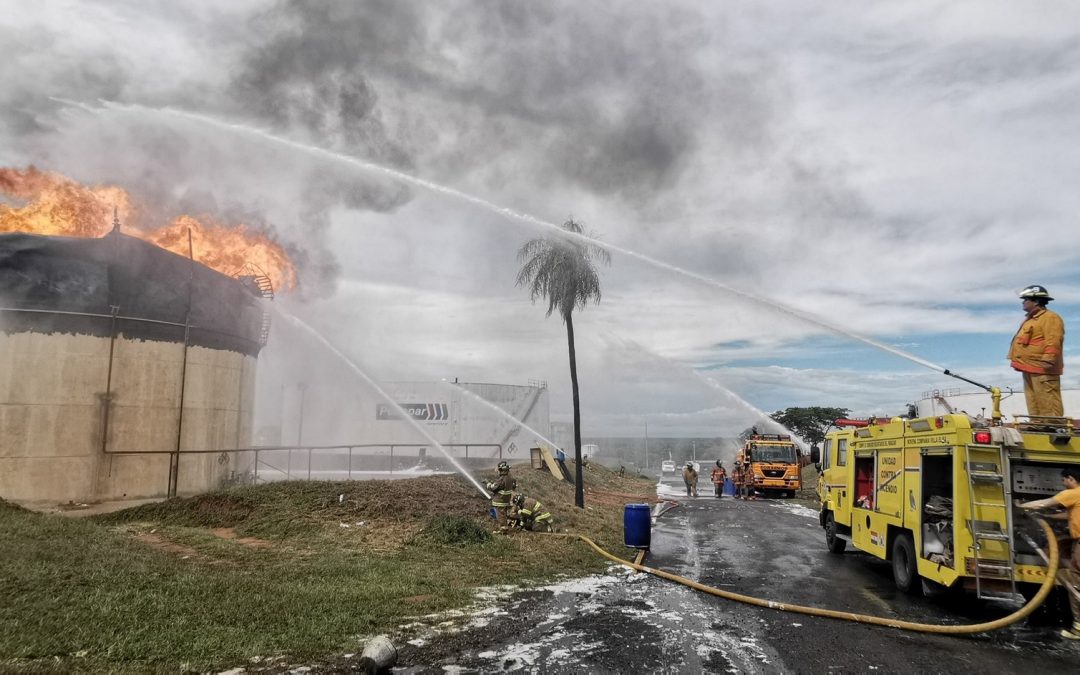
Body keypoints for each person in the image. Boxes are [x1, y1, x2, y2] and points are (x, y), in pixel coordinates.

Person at [1020, 466, 1080, 640]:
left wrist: (1021, 506)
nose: (1063, 483)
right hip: (1077, 541)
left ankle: (1078, 628)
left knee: (1076, 581)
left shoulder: (1073, 493)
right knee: (1074, 572)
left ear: (1070, 478)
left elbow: (1043, 503)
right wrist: (1048, 518)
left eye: (1064, 480)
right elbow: (1068, 515)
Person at [1008, 285, 1065, 418]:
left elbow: (1054, 340)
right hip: (1030, 366)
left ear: (1036, 301)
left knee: (1047, 397)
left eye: (1026, 299)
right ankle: (1037, 423)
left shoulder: (1050, 318)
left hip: (1043, 367)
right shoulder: (1031, 320)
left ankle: (1053, 425)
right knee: (1033, 398)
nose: (1023, 302)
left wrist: (1048, 359)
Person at [485, 461, 516, 531]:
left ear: (502, 470)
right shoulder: (509, 478)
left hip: (500, 500)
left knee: (500, 515)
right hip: (505, 500)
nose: (498, 472)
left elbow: (493, 488)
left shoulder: (502, 479)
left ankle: (503, 529)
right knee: (503, 514)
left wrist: (487, 483)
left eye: (498, 470)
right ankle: (502, 527)